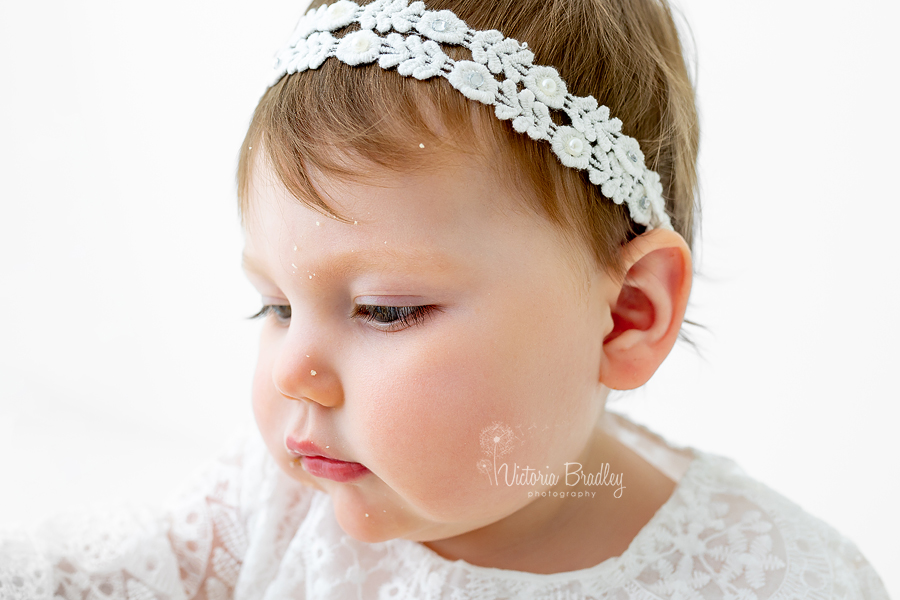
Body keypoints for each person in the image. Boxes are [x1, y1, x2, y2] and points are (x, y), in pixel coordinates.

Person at [1, 0, 890, 598]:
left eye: (385, 311)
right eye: (273, 306)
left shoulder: (771, 576)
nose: (296, 374)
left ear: (626, 317)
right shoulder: (267, 510)